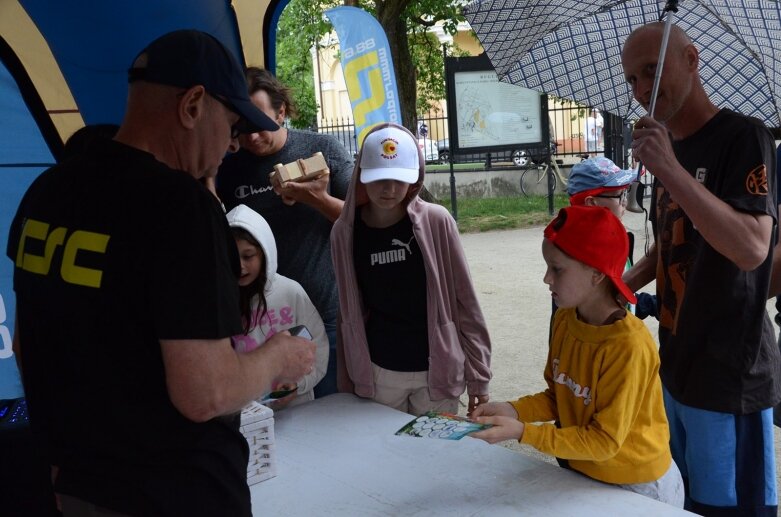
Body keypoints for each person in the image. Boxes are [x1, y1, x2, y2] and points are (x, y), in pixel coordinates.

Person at [7, 30, 316, 516]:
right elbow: (204, 393)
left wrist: (63, 452)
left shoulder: (48, 191)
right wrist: (278, 356)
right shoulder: (181, 207)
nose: (232, 145)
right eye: (231, 123)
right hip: (177, 491)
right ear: (193, 104)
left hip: (80, 484)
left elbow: (29, 343)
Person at [622, 22, 779, 514]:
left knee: (728, 509)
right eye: (632, 80)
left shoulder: (743, 138)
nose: (643, 89)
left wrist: (669, 168)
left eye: (652, 71)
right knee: (680, 504)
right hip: (674, 365)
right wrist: (613, 287)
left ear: (691, 60)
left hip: (728, 376)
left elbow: (752, 247)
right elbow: (671, 248)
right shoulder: (669, 145)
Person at [471, 205, 684, 507]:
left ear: (596, 273)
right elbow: (558, 397)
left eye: (557, 269)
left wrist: (524, 433)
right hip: (583, 472)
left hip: (639, 487)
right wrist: (512, 410)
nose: (547, 278)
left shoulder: (628, 346)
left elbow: (604, 441)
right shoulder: (565, 320)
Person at [330, 123, 492, 416]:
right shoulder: (345, 232)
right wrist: (348, 377)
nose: (389, 189)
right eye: (379, 178)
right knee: (386, 456)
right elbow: (348, 309)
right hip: (379, 373)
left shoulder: (436, 222)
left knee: (435, 457)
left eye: (398, 178)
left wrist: (478, 376)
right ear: (362, 176)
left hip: (437, 372)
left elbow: (465, 300)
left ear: (415, 177)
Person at [218, 67, 354, 398]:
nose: (251, 137)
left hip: (326, 314)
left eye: (260, 123)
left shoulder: (322, 150)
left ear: (281, 112)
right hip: (265, 325)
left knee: (331, 414)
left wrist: (318, 200)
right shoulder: (228, 170)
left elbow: (362, 223)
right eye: (242, 126)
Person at [227, 204, 328, 408]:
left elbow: (318, 347)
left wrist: (297, 386)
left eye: (248, 256)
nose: (240, 266)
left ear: (265, 252)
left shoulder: (291, 292)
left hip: (298, 410)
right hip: (248, 416)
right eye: (231, 256)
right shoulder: (221, 300)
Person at [567, 156, 657, 319]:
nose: (625, 203)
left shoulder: (609, 242)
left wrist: (650, 304)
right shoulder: (587, 259)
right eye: (620, 195)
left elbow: (615, 294)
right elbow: (605, 311)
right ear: (592, 203)